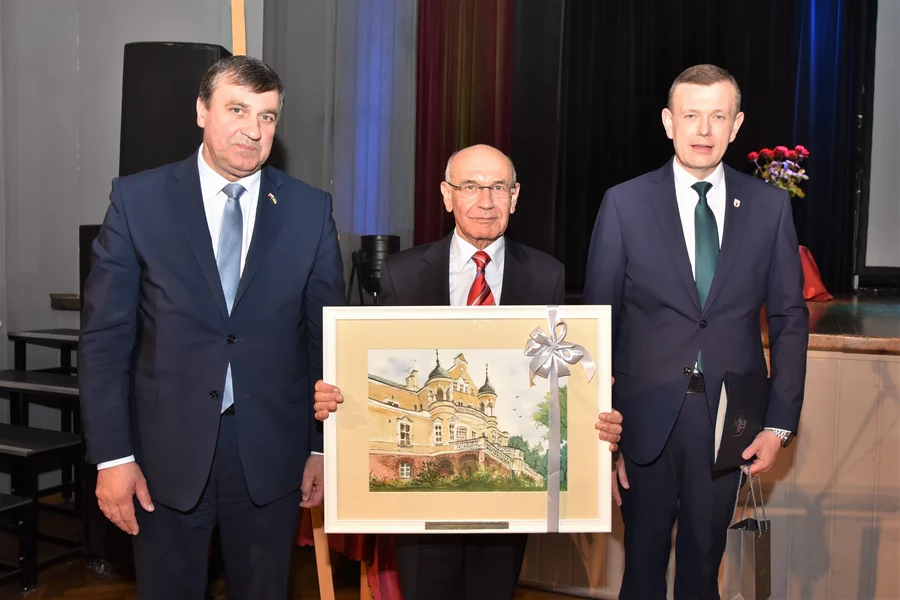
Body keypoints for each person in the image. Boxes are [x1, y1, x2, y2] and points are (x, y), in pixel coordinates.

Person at [78, 55, 345, 599]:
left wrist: (321, 447)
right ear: (201, 111)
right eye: (237, 110)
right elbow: (105, 340)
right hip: (162, 454)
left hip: (272, 457)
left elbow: (324, 340)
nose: (254, 130)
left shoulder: (309, 210)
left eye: (267, 116)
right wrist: (113, 456)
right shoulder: (137, 200)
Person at [312, 144, 623, 600]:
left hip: (506, 513)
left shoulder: (547, 275)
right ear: (447, 195)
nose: (485, 201)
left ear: (515, 196)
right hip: (423, 514)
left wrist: (591, 405)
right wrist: (340, 395)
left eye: (498, 187)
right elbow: (371, 358)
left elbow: (555, 378)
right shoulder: (401, 273)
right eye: (471, 186)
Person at [583, 64, 809, 599]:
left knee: (703, 572)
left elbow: (788, 319)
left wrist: (779, 426)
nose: (703, 130)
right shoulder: (624, 203)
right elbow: (598, 320)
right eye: (690, 116)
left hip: (731, 422)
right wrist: (602, 441)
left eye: (717, 117)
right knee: (641, 573)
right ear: (668, 122)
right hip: (643, 421)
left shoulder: (769, 207)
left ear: (736, 125)